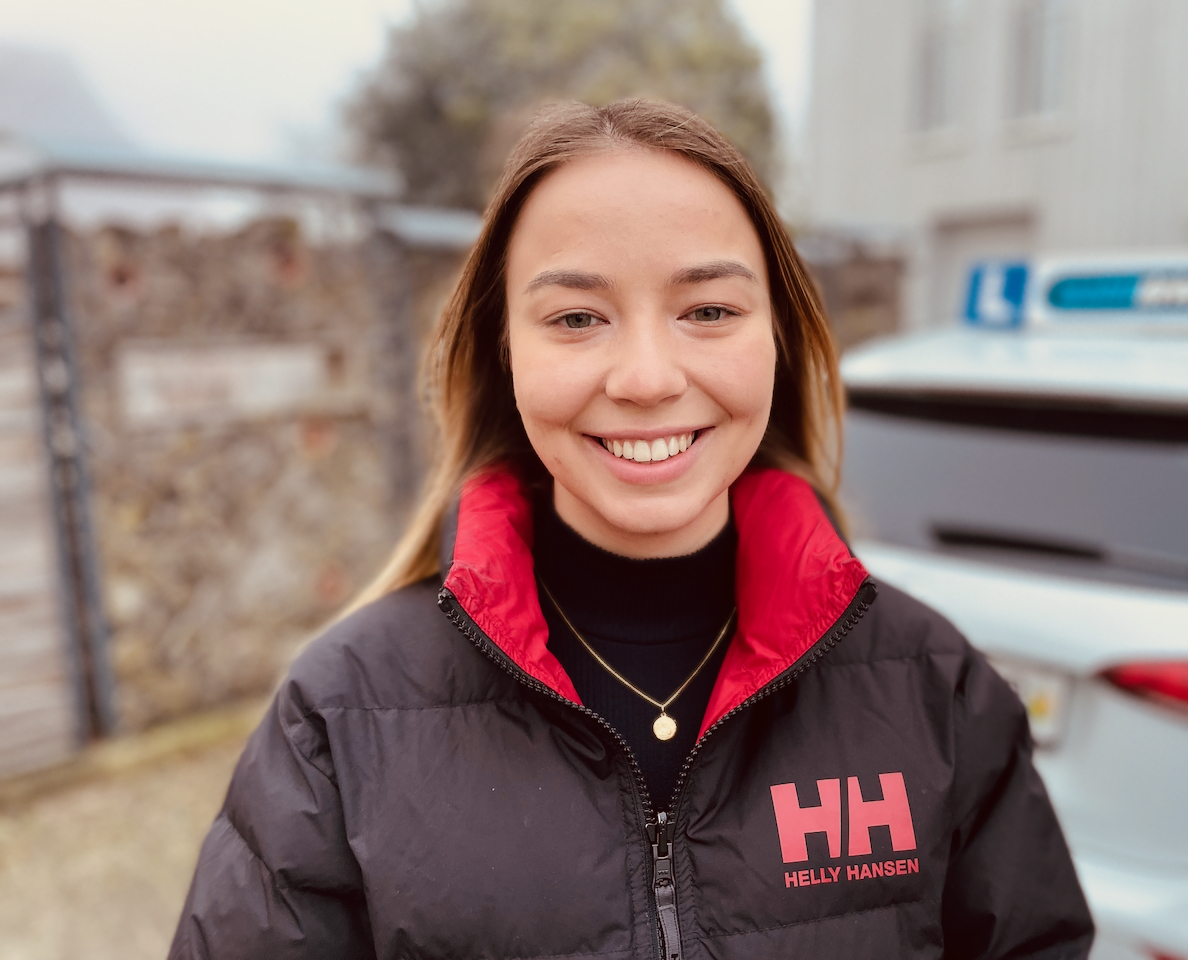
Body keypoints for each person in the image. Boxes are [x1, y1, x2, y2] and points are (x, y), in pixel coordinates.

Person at [169, 99, 1093, 960]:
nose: (647, 378)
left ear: (778, 336)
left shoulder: (935, 687)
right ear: (504, 348)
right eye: (577, 317)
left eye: (709, 311)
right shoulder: (340, 717)